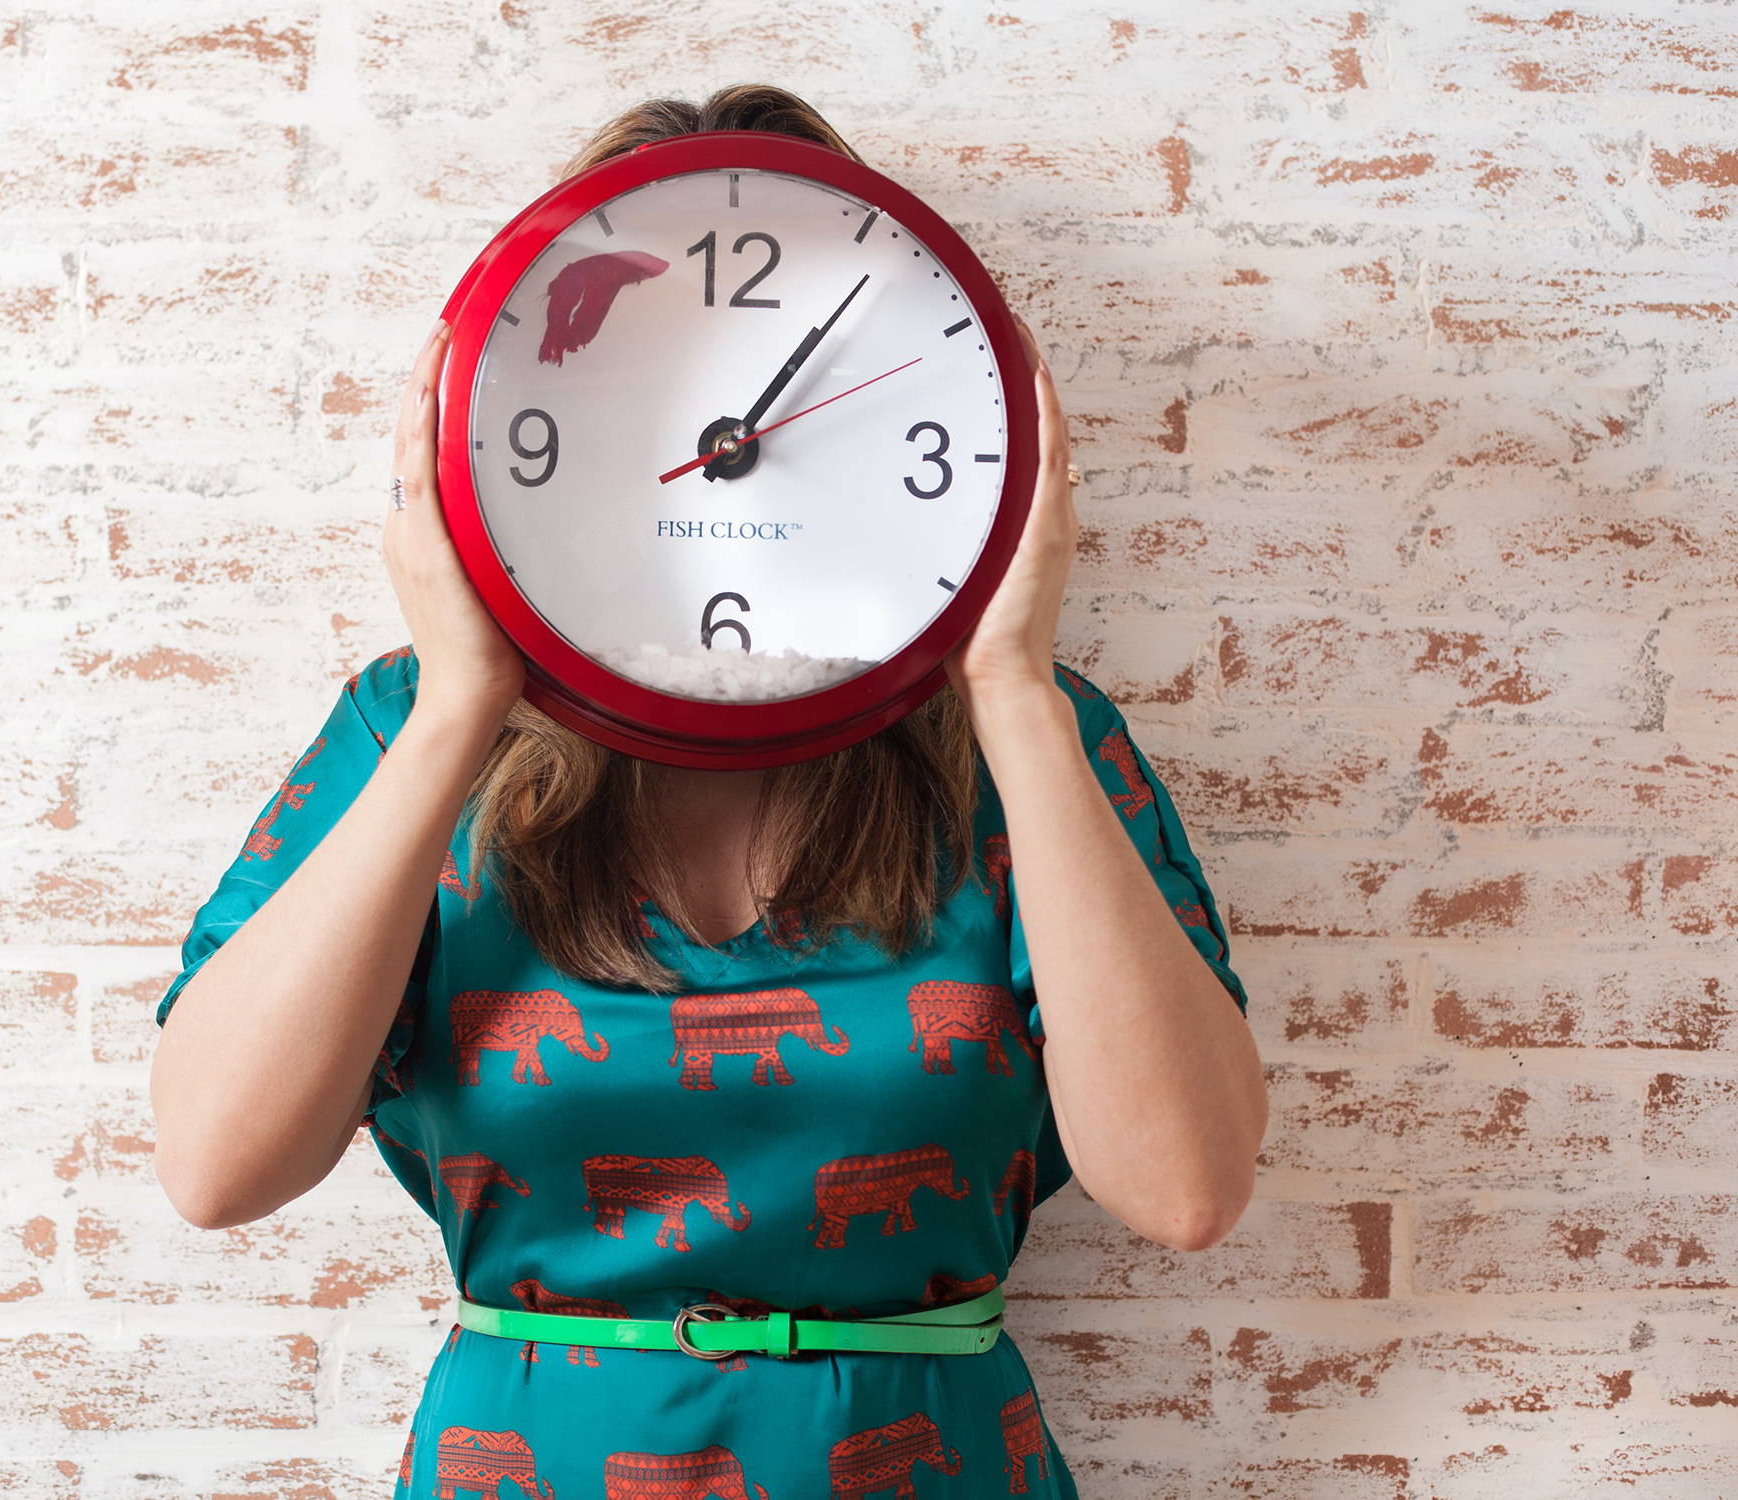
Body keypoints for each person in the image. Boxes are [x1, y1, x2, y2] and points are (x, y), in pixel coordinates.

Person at [150, 85, 1267, 1500]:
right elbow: (213, 1166)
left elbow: (1185, 1188)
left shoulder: (1028, 742)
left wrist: (1012, 680)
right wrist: (458, 702)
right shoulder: (406, 731)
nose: (722, 447)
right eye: (655, 407)